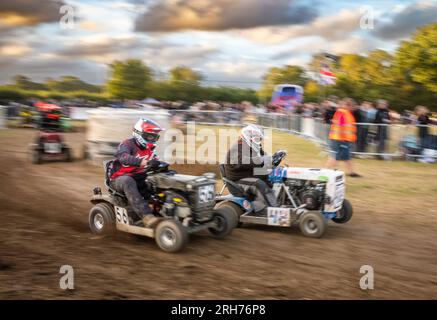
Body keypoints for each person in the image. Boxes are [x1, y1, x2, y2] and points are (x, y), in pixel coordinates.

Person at [109, 118, 164, 228]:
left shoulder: (151, 149)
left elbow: (155, 161)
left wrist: (160, 165)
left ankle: (164, 209)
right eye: (149, 136)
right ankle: (147, 216)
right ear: (139, 134)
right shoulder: (127, 144)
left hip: (138, 177)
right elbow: (123, 157)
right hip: (119, 179)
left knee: (160, 178)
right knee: (128, 181)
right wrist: (142, 162)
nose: (152, 139)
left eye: (154, 137)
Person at [224, 124, 279, 207]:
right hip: (237, 180)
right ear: (249, 138)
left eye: (260, 139)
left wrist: (274, 159)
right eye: (258, 139)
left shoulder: (254, 147)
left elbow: (265, 159)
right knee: (259, 184)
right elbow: (242, 162)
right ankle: (274, 208)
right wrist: (262, 160)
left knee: (275, 173)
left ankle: (280, 199)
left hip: (249, 173)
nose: (259, 141)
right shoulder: (236, 148)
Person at [326, 98, 361, 177]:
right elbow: (340, 125)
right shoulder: (342, 112)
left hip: (342, 139)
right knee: (335, 157)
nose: (353, 108)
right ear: (347, 105)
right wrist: (342, 140)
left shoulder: (346, 113)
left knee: (346, 157)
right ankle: (327, 172)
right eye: (352, 106)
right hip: (340, 139)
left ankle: (351, 172)